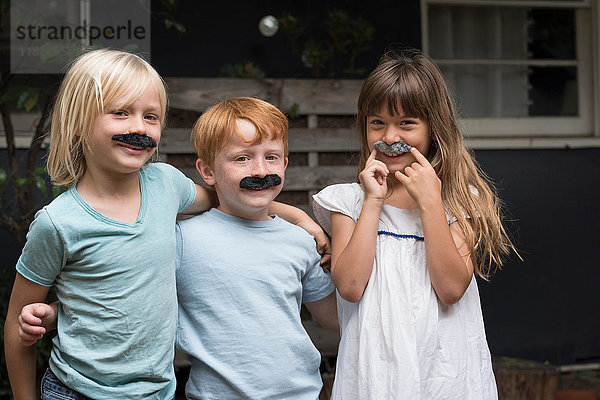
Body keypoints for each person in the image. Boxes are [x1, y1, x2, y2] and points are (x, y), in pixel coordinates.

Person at [5, 50, 328, 400]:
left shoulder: (165, 184)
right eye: (120, 113)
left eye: (151, 117)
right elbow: (16, 323)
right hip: (78, 391)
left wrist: (295, 216)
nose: (139, 129)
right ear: (80, 121)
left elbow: (230, 194)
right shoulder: (58, 223)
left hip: (157, 391)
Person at [312, 49, 518, 399]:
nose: (390, 137)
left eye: (406, 123)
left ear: (434, 127)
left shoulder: (459, 199)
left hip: (444, 370)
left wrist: (431, 203)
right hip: (373, 370)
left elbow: (451, 289)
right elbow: (349, 286)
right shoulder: (349, 201)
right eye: (377, 122)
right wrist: (373, 201)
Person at [176, 97, 338, 399]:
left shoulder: (301, 241)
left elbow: (335, 318)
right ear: (207, 171)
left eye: (272, 157)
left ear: (286, 163)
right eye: (242, 158)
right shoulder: (182, 240)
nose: (261, 170)